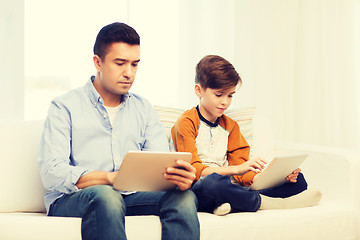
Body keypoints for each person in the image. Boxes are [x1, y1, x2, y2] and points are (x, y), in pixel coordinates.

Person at [38, 22, 200, 240]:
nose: (129, 73)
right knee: (106, 195)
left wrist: (178, 178)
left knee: (184, 197)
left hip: (129, 197)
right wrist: (109, 178)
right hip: (74, 199)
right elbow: (52, 172)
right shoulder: (64, 106)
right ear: (98, 62)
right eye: (120, 63)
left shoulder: (144, 109)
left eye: (135, 64)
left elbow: (158, 166)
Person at [171, 55, 321, 216]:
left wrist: (274, 177)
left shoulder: (231, 126)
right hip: (200, 187)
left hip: (230, 187)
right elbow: (194, 170)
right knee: (213, 182)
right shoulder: (186, 122)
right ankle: (270, 203)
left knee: (299, 181)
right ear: (198, 90)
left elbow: (244, 172)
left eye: (230, 95)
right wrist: (236, 169)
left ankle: (231, 204)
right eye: (219, 95)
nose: (225, 102)